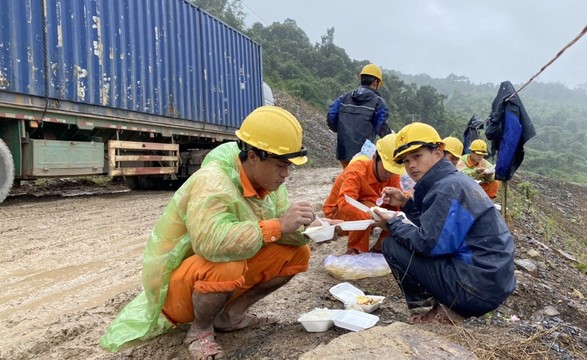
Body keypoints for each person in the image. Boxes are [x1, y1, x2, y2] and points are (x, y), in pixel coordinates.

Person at [100, 106, 337, 359]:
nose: (285, 174)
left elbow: (277, 233)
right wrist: (278, 225)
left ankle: (230, 316)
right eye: (281, 165)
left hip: (210, 281)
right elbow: (211, 244)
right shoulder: (214, 181)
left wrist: (308, 231)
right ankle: (200, 330)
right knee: (227, 262)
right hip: (178, 292)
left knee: (298, 252)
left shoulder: (271, 185)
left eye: (288, 166)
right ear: (254, 157)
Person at [374, 122, 515, 324]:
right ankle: (446, 305)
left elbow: (427, 243)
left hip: (475, 290)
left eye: (417, 156)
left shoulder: (446, 189)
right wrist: (405, 204)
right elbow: (438, 228)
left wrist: (393, 223)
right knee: (408, 239)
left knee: (392, 245)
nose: (411, 165)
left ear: (438, 153)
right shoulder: (453, 182)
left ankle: (432, 310)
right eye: (406, 161)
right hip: (490, 281)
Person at [323, 133, 403, 254]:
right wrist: (371, 216)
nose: (389, 174)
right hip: (338, 215)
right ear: (375, 157)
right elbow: (344, 203)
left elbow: (397, 203)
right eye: (387, 169)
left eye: (393, 171)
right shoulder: (356, 171)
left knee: (397, 206)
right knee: (367, 206)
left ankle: (381, 246)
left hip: (370, 214)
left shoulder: (392, 174)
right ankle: (355, 250)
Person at [326, 63, 392, 168]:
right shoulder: (378, 102)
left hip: (343, 151)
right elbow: (382, 127)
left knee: (348, 176)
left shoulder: (344, 97)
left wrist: (340, 130)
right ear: (375, 82)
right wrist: (392, 140)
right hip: (364, 153)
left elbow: (331, 115)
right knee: (360, 180)